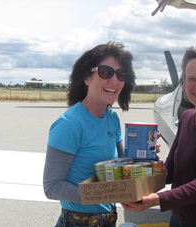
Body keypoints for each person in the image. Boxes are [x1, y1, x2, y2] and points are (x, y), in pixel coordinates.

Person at [121, 47, 196, 227]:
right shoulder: (186, 117)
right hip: (179, 217)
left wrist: (159, 199)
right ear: (184, 84)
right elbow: (171, 169)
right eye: (191, 79)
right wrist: (146, 164)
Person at [43, 41, 137, 227]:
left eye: (121, 75)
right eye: (105, 72)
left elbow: (124, 166)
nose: (115, 80)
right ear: (87, 77)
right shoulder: (70, 124)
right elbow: (52, 187)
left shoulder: (112, 118)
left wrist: (146, 153)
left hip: (109, 219)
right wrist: (104, 193)